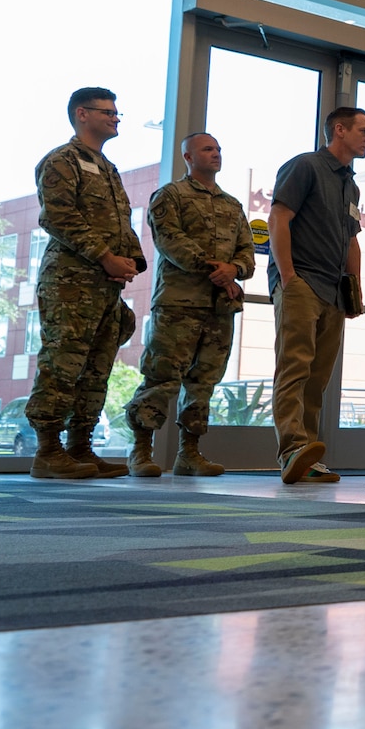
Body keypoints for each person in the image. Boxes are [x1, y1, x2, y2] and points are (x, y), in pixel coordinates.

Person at [25, 87, 146, 480]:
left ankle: (80, 447)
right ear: (82, 114)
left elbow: (121, 225)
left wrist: (132, 260)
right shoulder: (62, 161)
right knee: (63, 363)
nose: (115, 118)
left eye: (116, 113)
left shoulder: (107, 168)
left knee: (96, 370)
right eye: (108, 111)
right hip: (70, 283)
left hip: (106, 287)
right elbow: (57, 218)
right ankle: (47, 451)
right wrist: (104, 256)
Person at [123, 132, 254, 477]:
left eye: (219, 149)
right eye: (207, 149)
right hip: (178, 305)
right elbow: (171, 242)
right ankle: (140, 451)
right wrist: (219, 272)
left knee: (203, 383)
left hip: (219, 309)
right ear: (187, 157)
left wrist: (235, 270)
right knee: (161, 378)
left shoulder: (232, 205)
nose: (216, 154)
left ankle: (189, 454)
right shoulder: (170, 196)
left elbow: (247, 255)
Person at [268, 107, 365, 485]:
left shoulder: (350, 184)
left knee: (317, 377)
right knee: (294, 368)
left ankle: (306, 457)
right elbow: (278, 218)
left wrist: (354, 287)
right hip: (303, 283)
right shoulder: (305, 167)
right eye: (363, 130)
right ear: (339, 130)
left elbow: (352, 240)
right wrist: (289, 277)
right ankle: (292, 448)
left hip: (333, 289)